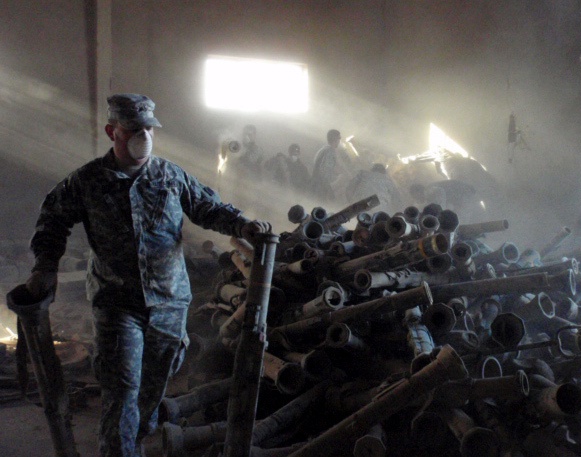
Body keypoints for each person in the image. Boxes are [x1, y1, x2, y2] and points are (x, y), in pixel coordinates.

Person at [24, 93, 271, 457]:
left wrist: (243, 224)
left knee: (153, 390)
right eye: (134, 129)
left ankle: (134, 444)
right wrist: (45, 267)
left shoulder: (170, 176)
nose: (144, 136)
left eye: (149, 129)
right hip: (117, 302)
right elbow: (53, 220)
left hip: (169, 302)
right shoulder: (89, 180)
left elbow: (206, 206)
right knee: (122, 388)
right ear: (113, 131)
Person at [310, 129, 351, 202]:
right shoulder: (329, 151)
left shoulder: (324, 149)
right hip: (320, 185)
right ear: (334, 138)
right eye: (339, 138)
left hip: (317, 184)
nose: (339, 141)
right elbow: (326, 170)